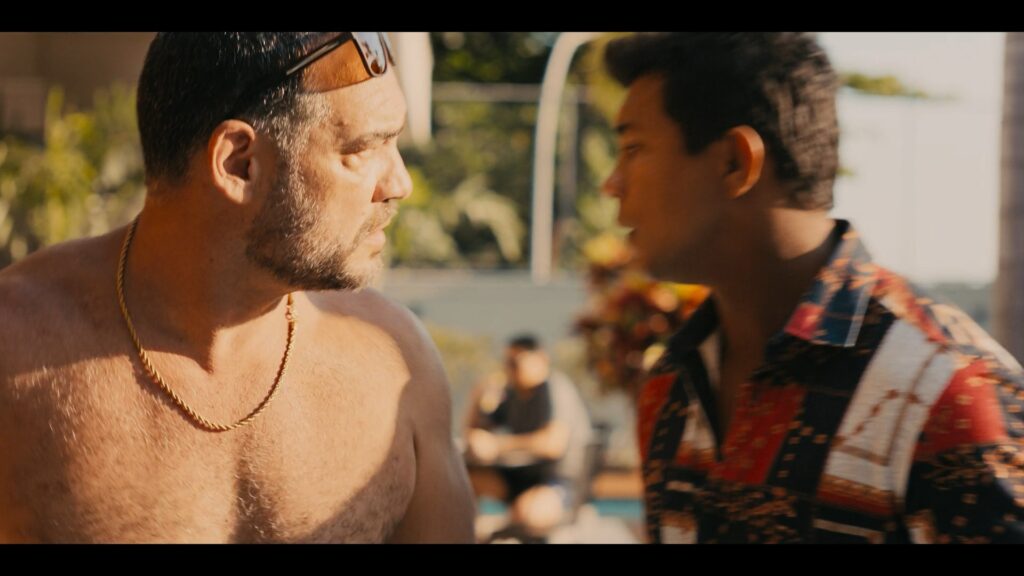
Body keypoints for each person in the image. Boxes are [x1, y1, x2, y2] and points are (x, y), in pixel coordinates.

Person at [0, 32, 474, 543]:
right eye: (361, 149)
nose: (399, 184)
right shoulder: (16, 350)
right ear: (239, 163)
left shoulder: (397, 366)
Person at [601, 32, 1024, 543]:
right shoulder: (672, 386)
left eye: (633, 148)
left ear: (735, 162)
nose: (611, 183)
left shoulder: (951, 392)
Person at [464, 334, 594, 539]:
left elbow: (553, 445)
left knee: (530, 514)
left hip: (558, 481)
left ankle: (507, 527)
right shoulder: (511, 392)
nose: (509, 369)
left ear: (541, 359)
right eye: (507, 362)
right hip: (519, 475)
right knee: (463, 481)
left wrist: (497, 445)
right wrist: (477, 397)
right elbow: (476, 433)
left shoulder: (556, 387)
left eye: (515, 362)